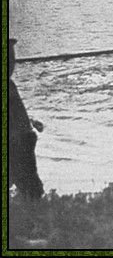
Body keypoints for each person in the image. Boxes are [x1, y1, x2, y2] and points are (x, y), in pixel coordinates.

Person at [9, 38, 45, 199]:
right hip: (19, 138)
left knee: (27, 181)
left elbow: (15, 111)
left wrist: (30, 121)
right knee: (28, 182)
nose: (13, 63)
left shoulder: (9, 84)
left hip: (21, 137)